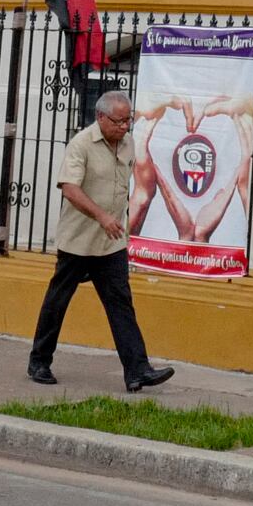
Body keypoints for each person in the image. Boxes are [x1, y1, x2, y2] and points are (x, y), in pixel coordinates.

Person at [27, 86, 173, 391]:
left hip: (111, 244)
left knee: (121, 304)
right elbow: (70, 188)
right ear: (100, 117)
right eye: (117, 122)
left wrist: (117, 219)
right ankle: (39, 361)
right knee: (58, 301)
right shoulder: (81, 144)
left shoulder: (129, 143)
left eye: (127, 121)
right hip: (78, 241)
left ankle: (137, 370)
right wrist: (102, 216)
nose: (123, 127)